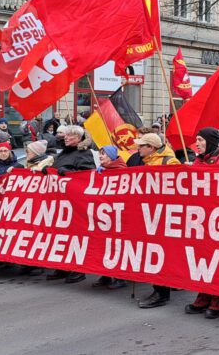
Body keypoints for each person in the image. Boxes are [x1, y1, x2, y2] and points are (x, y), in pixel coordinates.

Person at [185, 128, 219, 319]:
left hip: (218, 220)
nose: (196, 143)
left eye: (200, 140)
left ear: (210, 142)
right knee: (201, 259)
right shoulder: (198, 160)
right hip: (199, 220)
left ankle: (217, 301)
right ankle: (203, 295)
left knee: (217, 261)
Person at [46, 125, 96, 284]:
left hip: (75, 204)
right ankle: (62, 266)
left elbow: (86, 176)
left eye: (71, 136)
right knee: (60, 236)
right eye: (66, 136)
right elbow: (56, 168)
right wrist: (49, 170)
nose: (67, 138)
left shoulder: (85, 154)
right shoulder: (63, 152)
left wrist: (68, 172)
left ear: (79, 139)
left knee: (75, 237)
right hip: (59, 202)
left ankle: (77, 270)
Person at [136, 133, 180, 309]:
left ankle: (162, 293)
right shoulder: (147, 161)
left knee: (161, 255)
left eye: (141, 145)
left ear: (151, 148)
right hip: (150, 215)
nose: (138, 148)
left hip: (164, 216)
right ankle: (158, 288)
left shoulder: (169, 162)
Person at [91, 145, 128, 290]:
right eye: (100, 154)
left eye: (104, 154)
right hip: (105, 216)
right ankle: (105, 274)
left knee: (118, 247)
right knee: (103, 246)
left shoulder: (122, 170)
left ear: (112, 156)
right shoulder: (102, 170)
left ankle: (121, 277)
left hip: (119, 216)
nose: (100, 157)